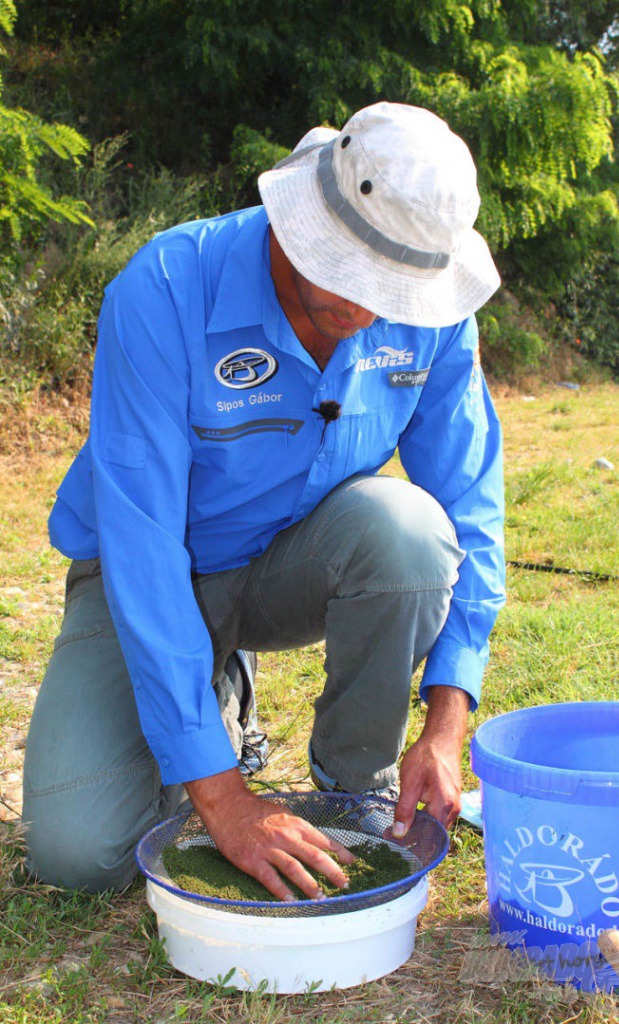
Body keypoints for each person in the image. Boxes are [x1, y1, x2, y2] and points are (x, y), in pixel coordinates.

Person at [23, 102, 505, 900]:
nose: (372, 315)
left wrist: (446, 722)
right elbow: (140, 548)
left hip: (296, 565)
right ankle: (212, 703)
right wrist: (224, 799)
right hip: (149, 578)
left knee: (412, 532)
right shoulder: (167, 287)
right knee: (80, 856)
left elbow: (469, 504)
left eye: (395, 294)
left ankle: (354, 789)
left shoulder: (434, 316)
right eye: (353, 281)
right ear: (298, 222)